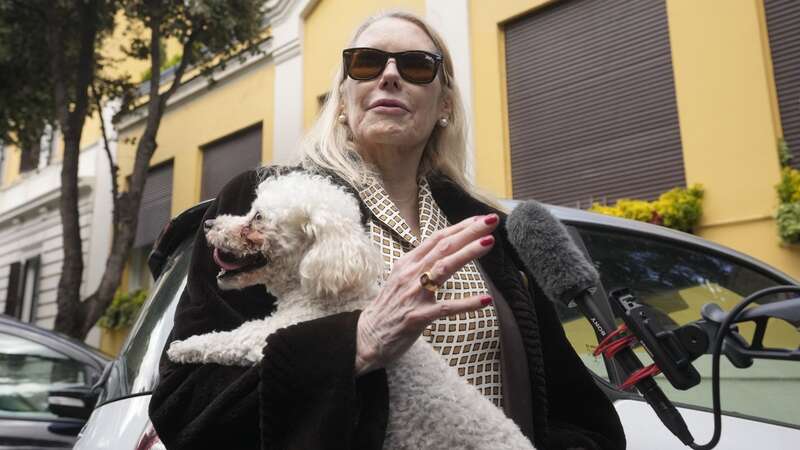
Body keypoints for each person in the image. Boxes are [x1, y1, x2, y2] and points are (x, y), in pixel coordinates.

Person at [149, 10, 626, 450]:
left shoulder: (489, 228)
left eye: (417, 66)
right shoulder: (267, 202)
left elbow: (576, 410)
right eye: (366, 62)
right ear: (342, 97)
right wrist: (355, 344)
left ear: (445, 103)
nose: (390, 75)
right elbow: (184, 406)